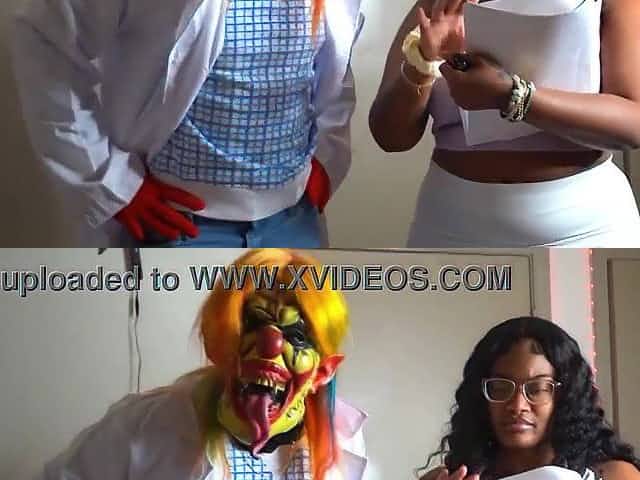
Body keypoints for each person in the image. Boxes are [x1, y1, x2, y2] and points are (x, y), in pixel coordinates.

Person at [12, 0, 364, 247]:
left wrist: (327, 156)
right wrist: (110, 184)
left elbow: (334, 58)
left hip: (293, 221)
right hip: (177, 225)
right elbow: (46, 36)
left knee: (294, 333)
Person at [37, 249, 367, 479]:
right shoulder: (141, 425)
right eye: (251, 323)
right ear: (216, 344)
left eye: (296, 335)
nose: (270, 346)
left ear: (323, 371)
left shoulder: (346, 441)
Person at [369, 0, 640, 247]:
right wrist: (422, 63)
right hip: (451, 226)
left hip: (584, 229)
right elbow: (390, 137)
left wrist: (510, 96)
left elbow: (633, 123)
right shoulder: (438, 4)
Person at [417, 316, 640, 480]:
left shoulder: (613, 475)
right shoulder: (452, 476)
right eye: (501, 388)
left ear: (566, 396)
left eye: (537, 389)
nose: (517, 405)